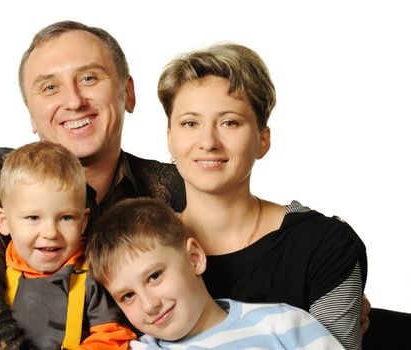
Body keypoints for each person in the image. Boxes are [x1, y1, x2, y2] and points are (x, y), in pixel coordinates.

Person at [0, 21, 184, 349]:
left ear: (127, 92)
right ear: (32, 115)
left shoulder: (169, 186)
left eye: (89, 78)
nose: (74, 101)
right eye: (49, 87)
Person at [156, 42, 368, 350]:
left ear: (262, 140)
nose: (208, 141)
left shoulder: (324, 245)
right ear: (170, 139)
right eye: (190, 123)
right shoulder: (138, 247)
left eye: (229, 122)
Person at [86, 197, 344, 349]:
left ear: (194, 258)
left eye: (154, 276)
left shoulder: (283, 324)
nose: (149, 305)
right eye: (127, 296)